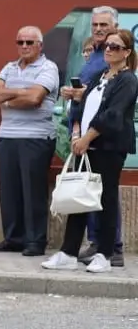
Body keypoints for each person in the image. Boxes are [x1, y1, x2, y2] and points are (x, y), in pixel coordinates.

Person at [43, 28, 137, 274]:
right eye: (107, 45)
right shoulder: (100, 75)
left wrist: (88, 137)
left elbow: (113, 115)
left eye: (115, 47)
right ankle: (68, 252)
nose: (108, 49)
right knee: (79, 198)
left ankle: (105, 254)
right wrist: (76, 134)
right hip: (85, 146)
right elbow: (82, 106)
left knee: (104, 199)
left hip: (108, 147)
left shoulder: (128, 80)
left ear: (127, 53)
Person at [0, 26, 58, 257]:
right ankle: (14, 238)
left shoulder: (48, 68)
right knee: (10, 190)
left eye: (29, 42)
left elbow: (36, 98)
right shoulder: (9, 66)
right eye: (20, 42)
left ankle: (36, 241)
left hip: (36, 137)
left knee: (33, 191)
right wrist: (20, 94)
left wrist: (7, 97)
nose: (24, 46)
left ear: (40, 45)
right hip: (7, 135)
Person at [62, 5, 123, 264]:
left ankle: (111, 249)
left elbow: (110, 104)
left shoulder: (117, 66)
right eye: (95, 25)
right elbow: (87, 98)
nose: (98, 30)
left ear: (115, 30)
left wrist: (81, 96)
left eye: (104, 25)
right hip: (84, 136)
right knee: (86, 193)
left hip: (104, 139)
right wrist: (76, 125)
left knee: (106, 195)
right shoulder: (92, 58)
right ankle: (85, 246)